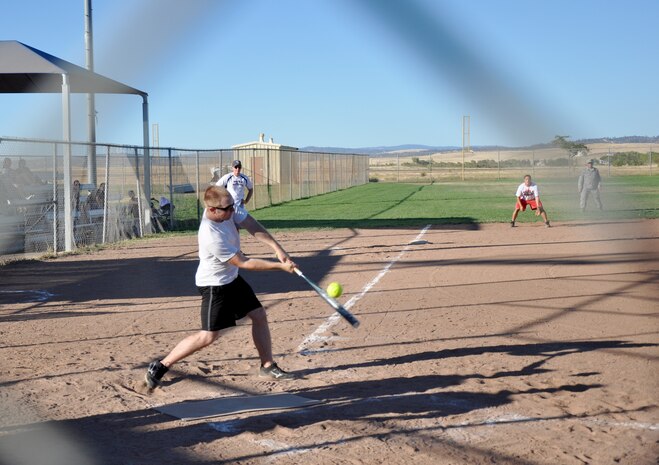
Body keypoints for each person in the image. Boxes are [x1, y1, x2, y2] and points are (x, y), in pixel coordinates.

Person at [144, 185, 298, 389]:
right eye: (227, 209)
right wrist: (280, 267)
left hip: (231, 279)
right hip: (214, 285)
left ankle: (267, 365)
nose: (233, 211)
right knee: (208, 336)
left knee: (259, 315)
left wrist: (277, 249)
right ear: (212, 210)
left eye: (232, 206)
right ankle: (162, 365)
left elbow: (252, 225)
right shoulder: (211, 234)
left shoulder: (228, 209)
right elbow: (244, 262)